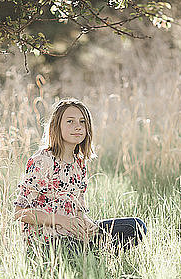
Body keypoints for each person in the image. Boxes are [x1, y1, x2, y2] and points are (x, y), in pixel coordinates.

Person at [13, 98, 147, 254]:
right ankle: (88, 256)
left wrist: (88, 225)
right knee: (71, 248)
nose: (77, 127)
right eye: (70, 121)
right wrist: (61, 220)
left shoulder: (79, 164)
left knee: (136, 227)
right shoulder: (41, 161)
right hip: (47, 241)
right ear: (57, 126)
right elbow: (19, 212)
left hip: (73, 234)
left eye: (82, 122)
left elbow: (78, 211)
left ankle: (91, 255)